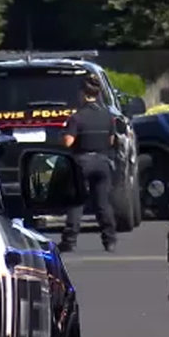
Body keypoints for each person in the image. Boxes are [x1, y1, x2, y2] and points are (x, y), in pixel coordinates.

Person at [60, 73, 117, 252]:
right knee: (102, 203)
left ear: (83, 94)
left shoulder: (77, 117)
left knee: (77, 202)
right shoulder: (107, 116)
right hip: (102, 162)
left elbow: (68, 142)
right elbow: (111, 141)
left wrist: (63, 135)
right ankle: (109, 239)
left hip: (82, 162)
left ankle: (70, 240)